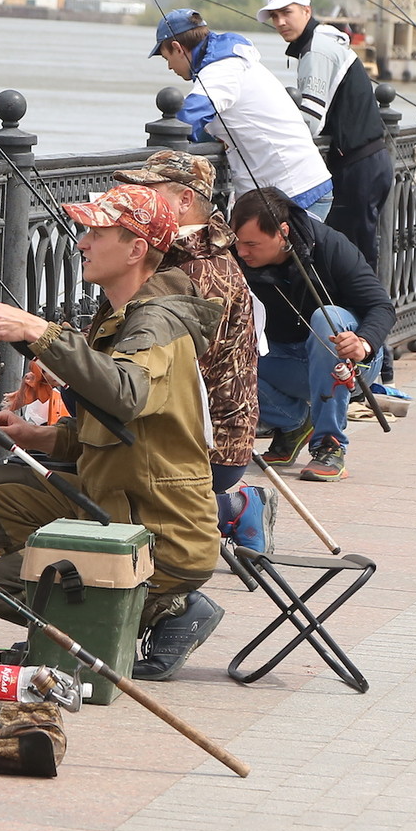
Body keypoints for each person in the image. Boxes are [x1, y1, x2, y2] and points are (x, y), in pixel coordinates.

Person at [0, 182, 226, 682]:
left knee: (2, 583)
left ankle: (153, 612)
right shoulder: (120, 316)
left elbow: (126, 393)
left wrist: (39, 331)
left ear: (135, 250)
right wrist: (39, 437)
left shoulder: (154, 324)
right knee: (0, 493)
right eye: (84, 232)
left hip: (163, 531)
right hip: (115, 506)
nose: (82, 243)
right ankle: (87, 612)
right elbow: (115, 423)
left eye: (96, 233)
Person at [113, 150, 265, 552]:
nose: (135, 198)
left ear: (184, 201)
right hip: (205, 431)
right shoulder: (189, 252)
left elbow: (168, 378)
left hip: (208, 444)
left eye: (149, 191)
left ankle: (230, 506)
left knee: (87, 458)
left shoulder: (196, 269)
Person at [232, 187, 395, 483]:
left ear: (282, 232)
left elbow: (381, 307)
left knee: (327, 318)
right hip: (289, 359)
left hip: (351, 362)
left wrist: (363, 343)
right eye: (238, 243)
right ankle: (292, 423)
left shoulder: (331, 246)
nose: (242, 252)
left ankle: (329, 445)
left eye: (251, 244)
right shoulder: (236, 258)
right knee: (221, 355)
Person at [258, 0, 394, 266]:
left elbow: (310, 122)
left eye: (287, 12)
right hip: (371, 160)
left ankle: (367, 310)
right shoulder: (325, 41)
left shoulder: (316, 51)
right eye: (274, 16)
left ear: (307, 11)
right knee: (361, 252)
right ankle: (370, 307)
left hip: (357, 166)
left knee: (352, 258)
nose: (280, 22)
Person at [154, 8, 331, 214]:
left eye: (167, 58)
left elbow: (185, 122)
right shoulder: (232, 62)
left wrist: (150, 166)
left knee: (257, 247)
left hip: (294, 193)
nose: (169, 67)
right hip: (297, 186)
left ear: (177, 48)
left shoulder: (221, 71)